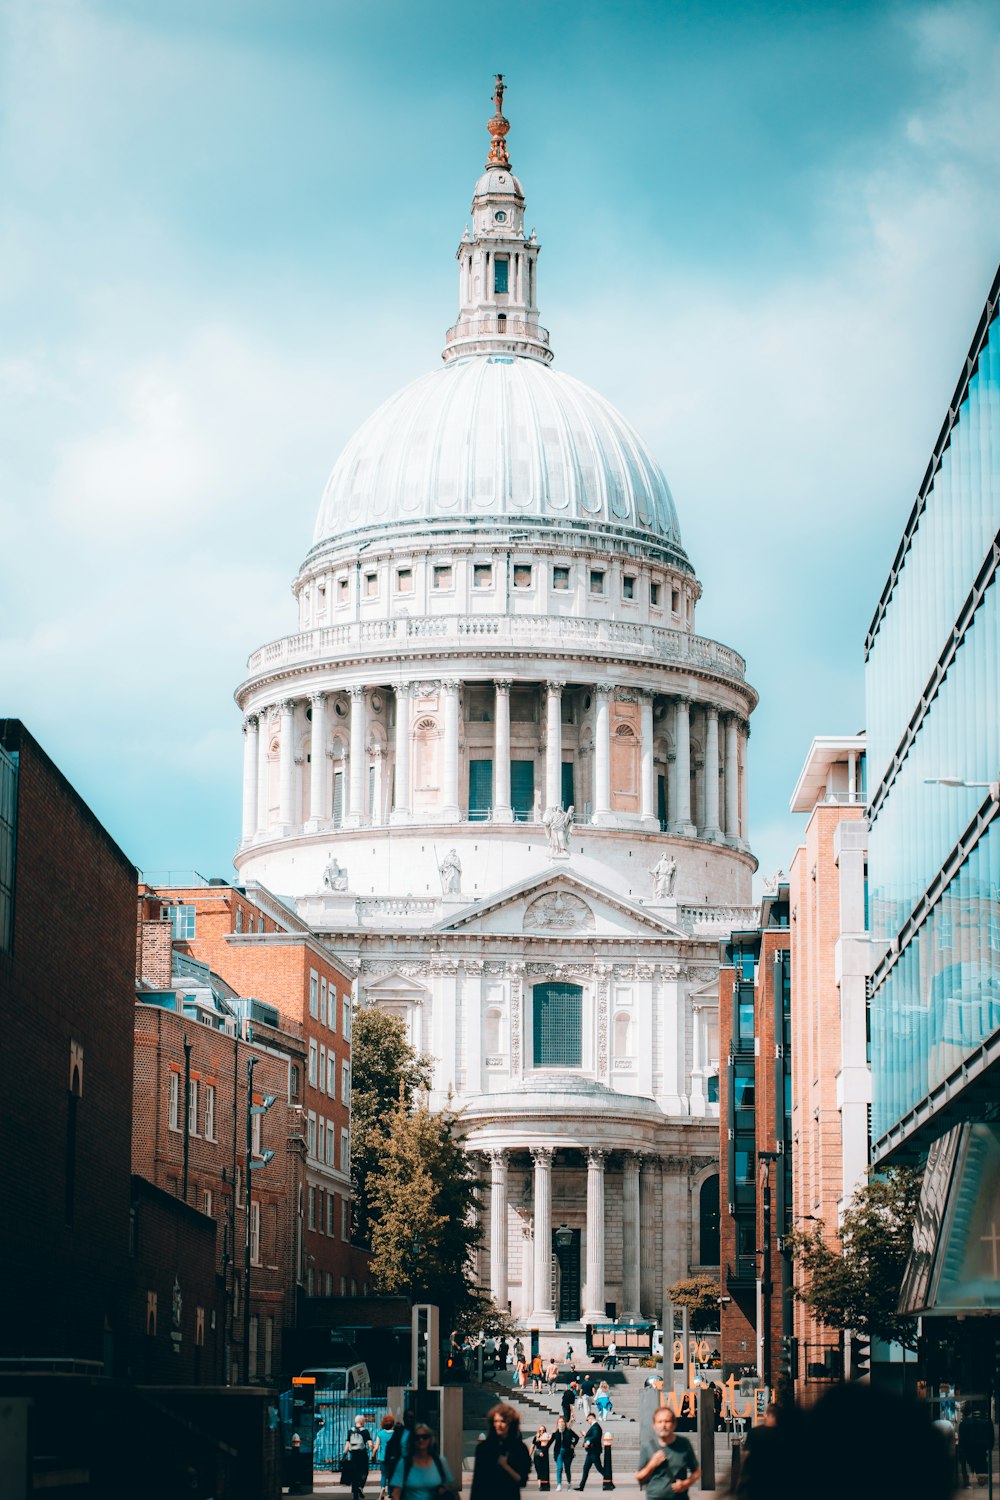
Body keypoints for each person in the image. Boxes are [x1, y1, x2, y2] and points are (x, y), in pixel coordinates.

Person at [470, 1403, 531, 1500]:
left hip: (509, 1495)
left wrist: (505, 1466)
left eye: (503, 1421)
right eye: (496, 1421)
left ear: (511, 1423)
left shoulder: (519, 1448)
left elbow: (522, 1480)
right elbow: (477, 1481)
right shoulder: (483, 1448)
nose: (498, 1425)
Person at [635, 1406, 699, 1497]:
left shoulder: (684, 1443)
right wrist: (652, 1464)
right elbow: (639, 1476)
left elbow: (697, 1471)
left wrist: (685, 1484)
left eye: (667, 1421)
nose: (663, 1425)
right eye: (660, 1422)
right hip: (654, 1497)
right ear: (654, 1425)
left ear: (674, 1424)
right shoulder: (647, 1446)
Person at [389, 1423, 455, 1500]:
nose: (421, 1440)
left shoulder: (440, 1462)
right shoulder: (404, 1463)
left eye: (425, 1437)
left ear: (430, 1439)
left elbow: (450, 1489)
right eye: (417, 1437)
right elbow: (396, 1492)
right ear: (412, 1440)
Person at [958, 1406, 995, 1488]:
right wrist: (989, 1447)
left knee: (975, 1463)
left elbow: (962, 1440)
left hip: (970, 1449)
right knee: (981, 1463)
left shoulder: (963, 1423)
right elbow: (991, 1437)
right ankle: (981, 1478)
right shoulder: (985, 1421)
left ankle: (974, 1479)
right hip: (981, 1449)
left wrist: (961, 1451)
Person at [344, 1413, 375, 1500]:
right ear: (362, 1422)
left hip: (353, 1455)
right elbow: (370, 1444)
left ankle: (354, 1491)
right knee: (364, 1471)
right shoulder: (365, 1431)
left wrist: (344, 1454)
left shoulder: (350, 1431)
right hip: (362, 1455)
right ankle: (360, 1486)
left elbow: (347, 1444)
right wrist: (373, 1450)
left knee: (354, 1472)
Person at [575, 1416, 606, 1491]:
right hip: (591, 1452)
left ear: (591, 1418)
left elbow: (595, 1436)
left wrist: (588, 1442)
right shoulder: (595, 1427)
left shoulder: (595, 1427)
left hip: (594, 1451)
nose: (587, 1421)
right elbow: (593, 1436)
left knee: (599, 1468)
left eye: (587, 1419)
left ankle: (609, 1481)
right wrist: (585, 1435)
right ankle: (581, 1486)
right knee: (586, 1468)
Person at [375, 1414, 398, 1500]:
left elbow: (376, 1447)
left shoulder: (380, 1433)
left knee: (383, 1475)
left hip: (383, 1458)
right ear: (392, 1424)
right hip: (393, 1458)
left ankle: (382, 1488)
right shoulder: (395, 1434)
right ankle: (390, 1493)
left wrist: (373, 1454)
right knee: (392, 1476)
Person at [551, 1417, 578, 1492]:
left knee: (567, 1469)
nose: (561, 1423)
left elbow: (577, 1437)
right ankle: (559, 1484)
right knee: (559, 1468)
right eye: (559, 1422)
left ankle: (569, 1484)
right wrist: (544, 1450)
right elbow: (550, 1442)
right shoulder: (556, 1432)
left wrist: (573, 1444)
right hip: (558, 1452)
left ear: (565, 1423)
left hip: (568, 1452)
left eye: (562, 1421)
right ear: (557, 1423)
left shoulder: (568, 1431)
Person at [531, 1426, 553, 1492]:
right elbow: (532, 1447)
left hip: (544, 1454)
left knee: (543, 1470)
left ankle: (543, 1486)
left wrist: (550, 1435)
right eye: (540, 1430)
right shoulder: (536, 1437)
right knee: (538, 1470)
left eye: (543, 1430)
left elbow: (550, 1441)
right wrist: (529, 1455)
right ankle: (540, 1485)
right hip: (537, 1454)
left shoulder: (546, 1437)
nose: (542, 1432)